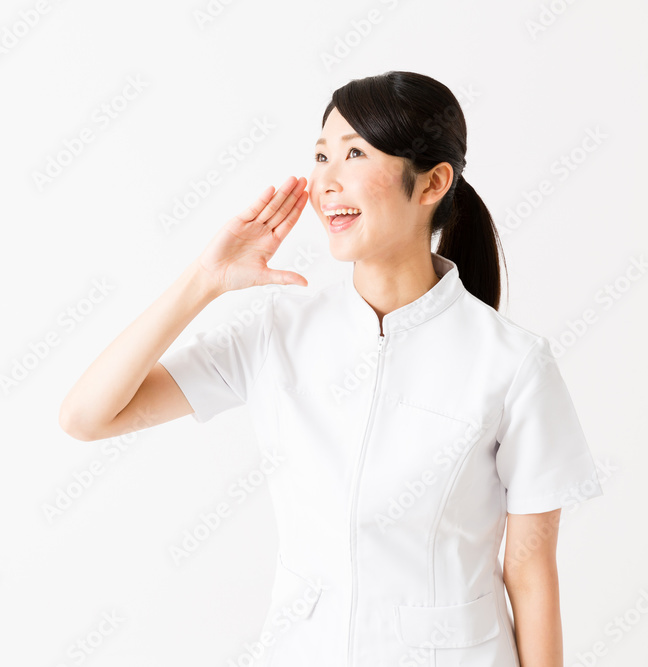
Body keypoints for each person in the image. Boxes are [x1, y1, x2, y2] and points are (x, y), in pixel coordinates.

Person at [58, 71, 603, 666]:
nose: (326, 180)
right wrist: (204, 282)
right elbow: (87, 417)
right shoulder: (277, 332)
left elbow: (529, 571)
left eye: (353, 153)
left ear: (432, 183)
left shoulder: (511, 362)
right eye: (320, 154)